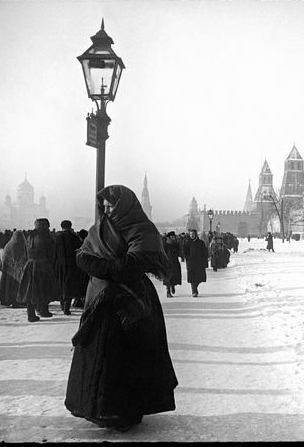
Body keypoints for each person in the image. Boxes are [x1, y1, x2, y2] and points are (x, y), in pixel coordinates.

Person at [65, 185, 178, 432]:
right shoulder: (100, 228)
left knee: (128, 358)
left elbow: (131, 265)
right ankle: (98, 409)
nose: (106, 209)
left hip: (130, 304)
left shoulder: (143, 229)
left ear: (125, 204)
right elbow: (81, 256)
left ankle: (127, 411)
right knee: (99, 356)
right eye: (104, 205)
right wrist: (103, 266)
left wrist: (100, 267)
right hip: (101, 300)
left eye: (111, 204)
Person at [17, 218, 60, 322]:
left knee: (30, 290)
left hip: (30, 264)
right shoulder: (46, 237)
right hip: (43, 265)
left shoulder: (29, 236)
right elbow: (51, 254)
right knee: (43, 289)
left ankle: (31, 314)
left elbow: (25, 253)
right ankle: (44, 311)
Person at [53, 220, 83, 315]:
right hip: (72, 265)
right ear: (70, 226)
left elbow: (54, 253)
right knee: (69, 286)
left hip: (60, 265)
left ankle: (62, 304)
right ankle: (66, 307)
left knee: (61, 284)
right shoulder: (74, 237)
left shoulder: (57, 237)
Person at [0, 230, 28, 308]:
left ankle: (6, 299)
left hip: (8, 270)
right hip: (17, 270)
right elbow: (22, 258)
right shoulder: (19, 245)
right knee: (16, 286)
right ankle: (16, 301)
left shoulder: (8, 244)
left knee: (7, 285)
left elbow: (4, 257)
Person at [183, 228, 208, 297]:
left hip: (199, 263)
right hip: (191, 263)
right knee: (192, 278)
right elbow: (185, 252)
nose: (192, 236)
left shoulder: (201, 243)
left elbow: (204, 252)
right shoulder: (187, 243)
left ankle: (195, 287)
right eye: (190, 234)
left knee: (199, 278)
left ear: (196, 234)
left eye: (193, 234)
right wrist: (188, 258)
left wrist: (204, 259)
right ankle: (194, 291)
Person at [72, 229, 89, 309]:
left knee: (79, 284)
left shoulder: (77, 244)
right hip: (86, 268)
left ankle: (78, 301)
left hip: (78, 268)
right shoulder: (89, 244)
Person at [163, 231, 182, 297]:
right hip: (167, 263)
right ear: (169, 237)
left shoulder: (176, 245)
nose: (173, 238)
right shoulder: (165, 245)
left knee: (174, 276)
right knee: (168, 277)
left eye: (174, 237)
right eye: (172, 237)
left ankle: (173, 285)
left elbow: (179, 252)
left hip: (175, 262)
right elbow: (163, 253)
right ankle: (168, 291)